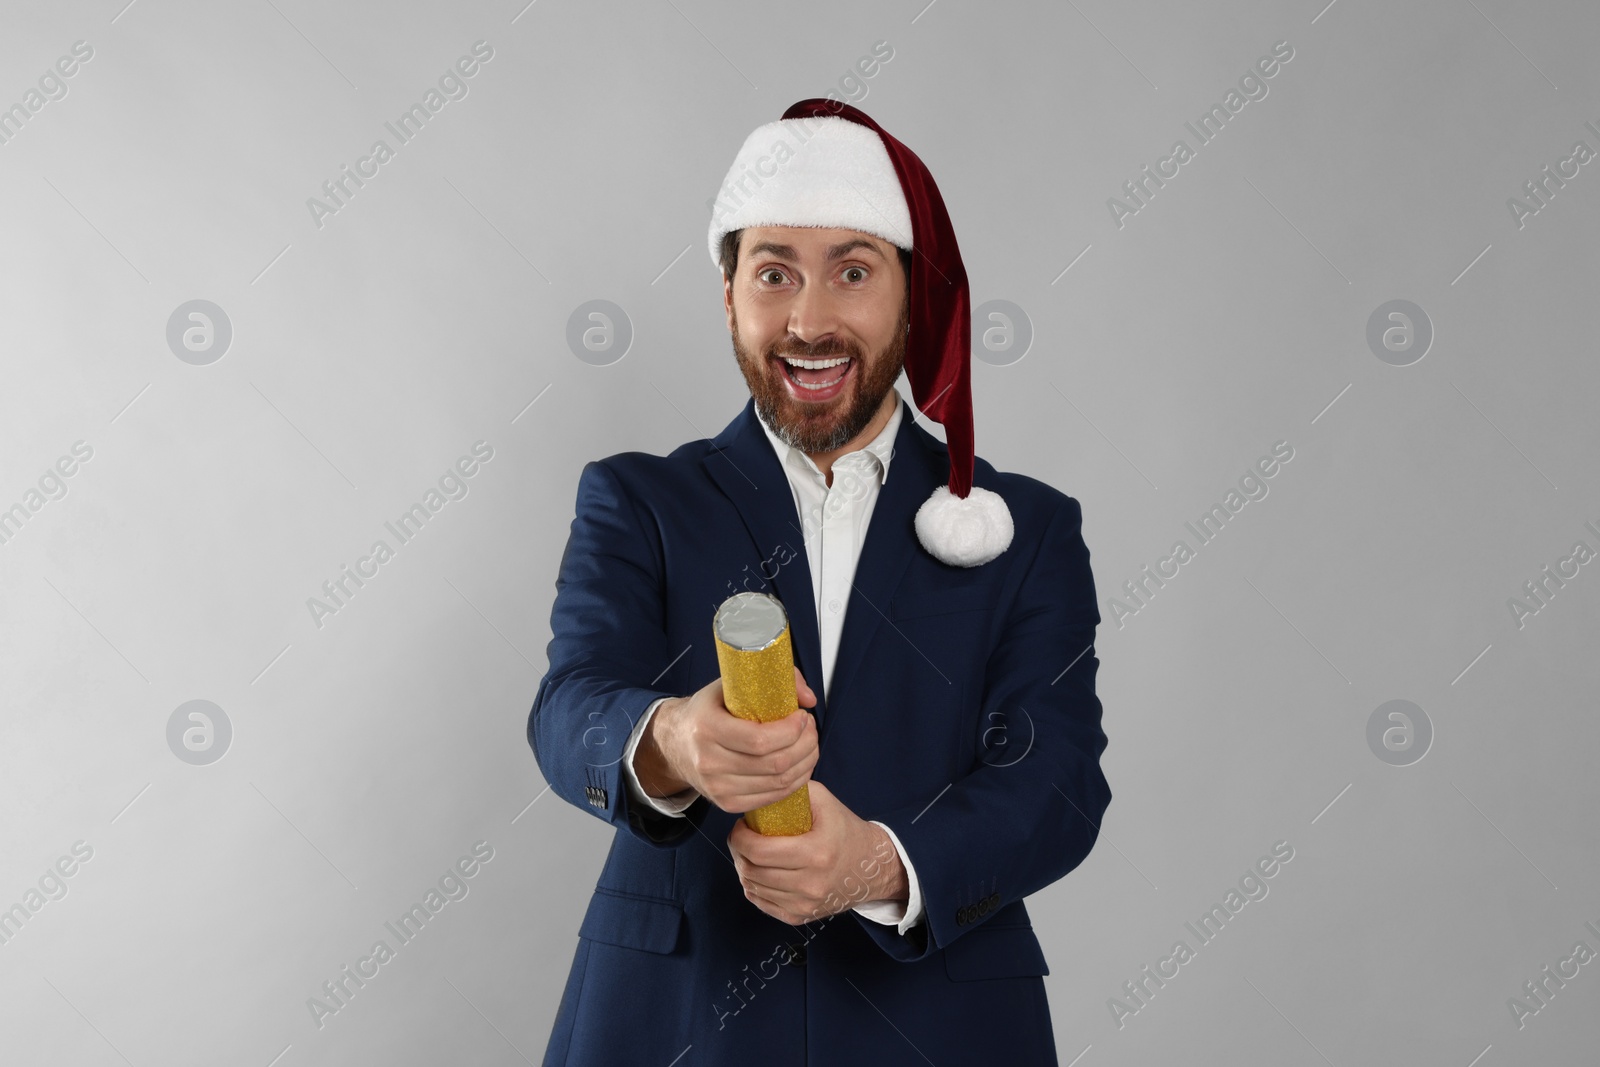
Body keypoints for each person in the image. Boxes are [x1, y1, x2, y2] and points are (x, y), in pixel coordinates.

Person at [528, 98, 1110, 1067]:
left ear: (911, 296)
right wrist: (672, 737)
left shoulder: (1028, 530)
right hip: (674, 1020)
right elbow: (569, 705)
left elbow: (1055, 784)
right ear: (727, 296)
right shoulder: (638, 500)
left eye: (852, 270)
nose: (808, 319)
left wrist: (877, 863)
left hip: (940, 1026)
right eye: (773, 273)